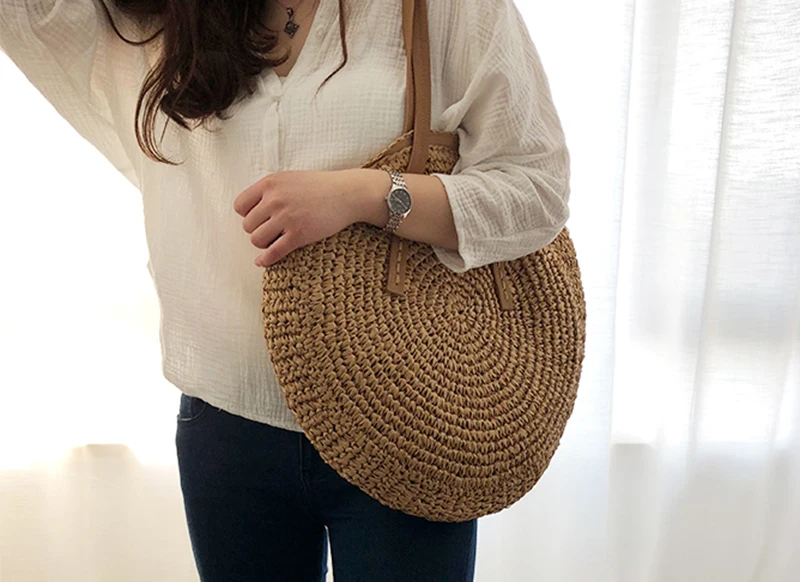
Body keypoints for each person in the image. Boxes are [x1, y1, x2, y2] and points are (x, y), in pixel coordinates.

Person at [0, 0, 570, 579]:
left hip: (413, 412)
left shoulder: (441, 9)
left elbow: (537, 186)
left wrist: (365, 195)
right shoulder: (164, 15)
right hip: (227, 422)